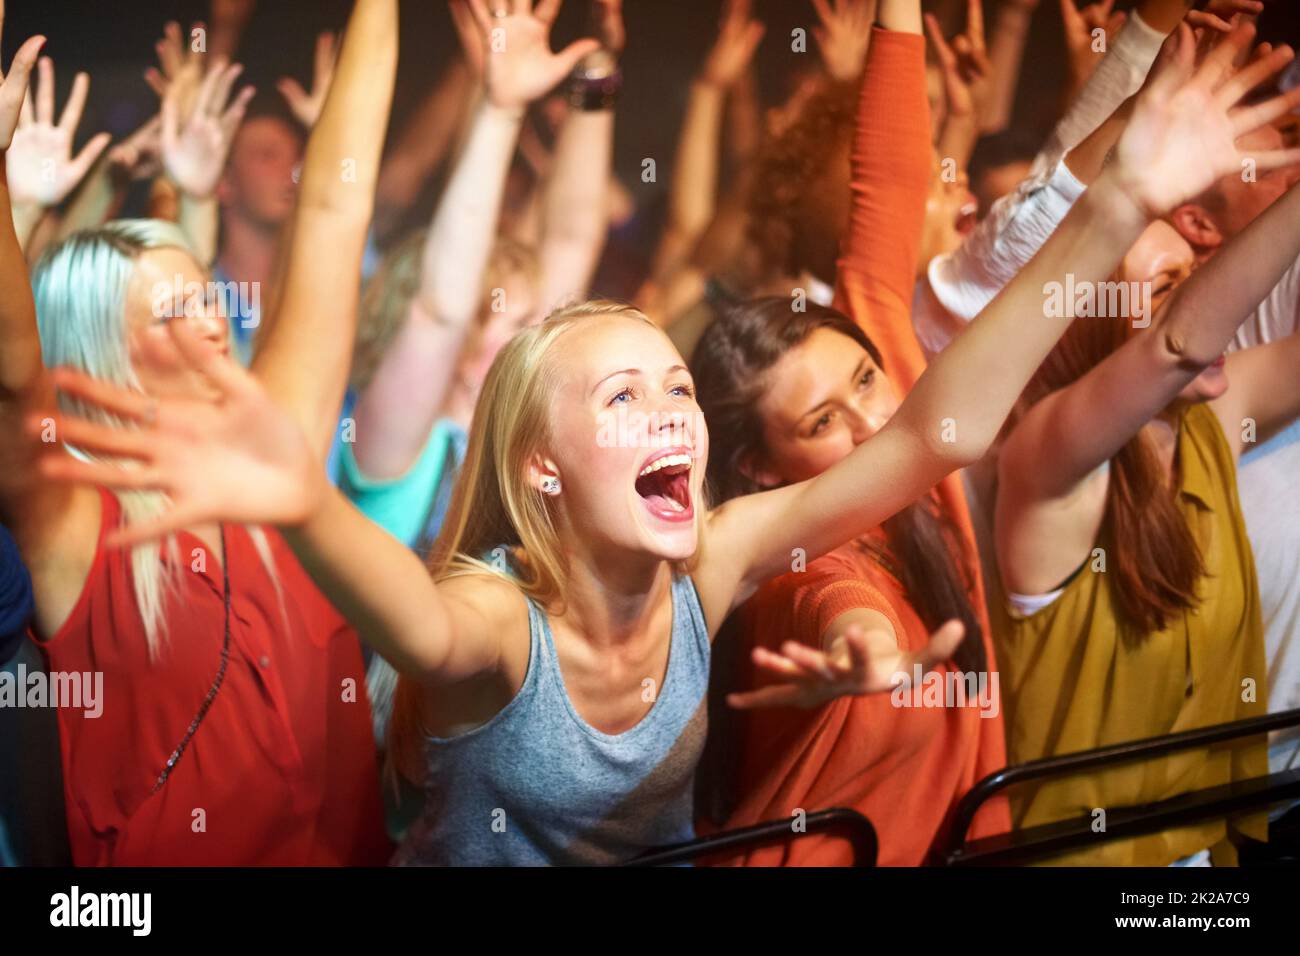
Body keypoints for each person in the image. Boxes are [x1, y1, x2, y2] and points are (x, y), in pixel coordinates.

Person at [34, 8, 1287, 868]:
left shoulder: (717, 558)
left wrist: (1117, 197)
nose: (668, 409)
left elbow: (931, 434)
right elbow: (410, 628)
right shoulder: (494, 621)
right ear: (540, 465)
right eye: (619, 400)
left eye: (669, 386)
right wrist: (300, 499)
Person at [0, 0, 398, 865]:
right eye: (176, 310)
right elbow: (9, 370)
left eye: (206, 294)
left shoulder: (276, 452)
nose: (214, 320)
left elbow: (334, 206)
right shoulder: (80, 524)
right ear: (105, 353)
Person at [991, 31, 1300, 861]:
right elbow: (1176, 348)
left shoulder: (1207, 427)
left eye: (1197, 276)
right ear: (1095, 335)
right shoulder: (1049, 464)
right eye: (1170, 292)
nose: (1208, 305)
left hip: (1203, 862)